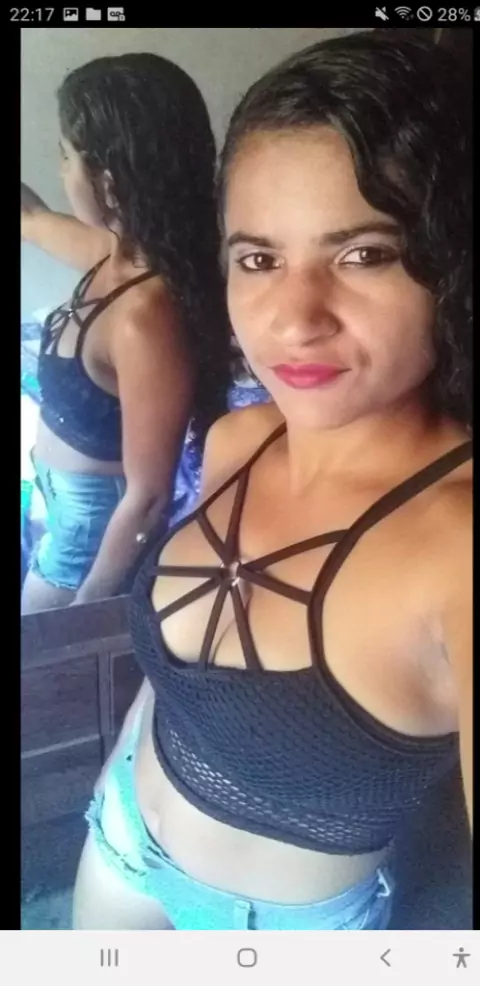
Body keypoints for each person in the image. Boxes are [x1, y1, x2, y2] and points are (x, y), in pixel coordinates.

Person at [73, 33, 472, 931]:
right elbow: (181, 685)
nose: (294, 320)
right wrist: (116, 778)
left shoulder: (459, 545)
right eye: (258, 259)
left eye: (363, 253)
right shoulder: (240, 440)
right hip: (124, 837)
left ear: (449, 260)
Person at [21, 53, 230, 613]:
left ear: (108, 183)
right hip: (65, 511)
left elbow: (149, 498)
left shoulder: (143, 317)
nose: (61, 171)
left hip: (86, 545)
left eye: (66, 156)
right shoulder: (114, 255)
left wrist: (86, 609)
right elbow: (32, 219)